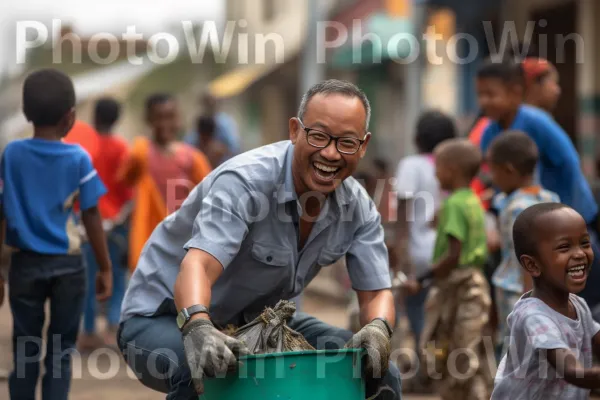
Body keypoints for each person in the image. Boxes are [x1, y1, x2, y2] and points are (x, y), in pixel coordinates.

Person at [117, 79, 402, 399]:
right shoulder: (245, 182)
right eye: (319, 136)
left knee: (378, 368)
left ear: (363, 146)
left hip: (263, 323)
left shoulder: (358, 207)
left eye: (347, 143)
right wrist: (198, 327)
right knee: (208, 370)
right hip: (164, 318)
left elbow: (376, 292)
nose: (331, 153)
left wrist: (378, 328)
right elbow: (198, 265)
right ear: (295, 130)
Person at [0, 69, 112, 399]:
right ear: (71, 118)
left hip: (25, 266)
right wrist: (105, 267)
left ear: (25, 114)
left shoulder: (12, 155)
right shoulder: (78, 158)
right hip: (68, 266)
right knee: (61, 351)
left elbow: (1, 212)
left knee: (25, 349)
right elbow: (91, 215)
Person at [476, 59, 600, 311]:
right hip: (529, 225)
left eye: (491, 94)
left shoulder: (537, 122)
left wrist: (566, 215)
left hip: (567, 215)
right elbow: (495, 179)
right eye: (480, 95)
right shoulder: (490, 132)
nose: (484, 102)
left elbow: (568, 164)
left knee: (579, 289)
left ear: (514, 92)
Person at [403, 138, 494, 400]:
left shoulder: (454, 204)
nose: (435, 174)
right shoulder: (470, 200)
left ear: (452, 170)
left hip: (456, 283)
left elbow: (453, 255)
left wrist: (422, 278)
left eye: (439, 168)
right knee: (470, 342)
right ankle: (475, 391)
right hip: (476, 280)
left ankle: (453, 392)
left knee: (442, 341)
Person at [492, 203, 600, 399]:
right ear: (532, 264)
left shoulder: (578, 305)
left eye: (585, 243)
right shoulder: (533, 316)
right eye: (564, 247)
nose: (579, 253)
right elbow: (571, 371)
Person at [486, 130, 559, 360]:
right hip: (553, 291)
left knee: (516, 353)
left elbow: (526, 260)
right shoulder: (551, 199)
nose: (492, 178)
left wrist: (529, 302)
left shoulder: (515, 208)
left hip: (517, 292)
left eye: (493, 171)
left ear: (509, 170)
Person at [118, 93, 212, 271]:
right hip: (149, 242)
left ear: (178, 119)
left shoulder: (193, 159)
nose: (164, 124)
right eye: (158, 118)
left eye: (170, 117)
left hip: (183, 241)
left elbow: (210, 194)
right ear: (148, 119)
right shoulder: (141, 153)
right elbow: (124, 180)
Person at [394, 110, 455, 364]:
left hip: (419, 254)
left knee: (418, 310)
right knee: (441, 313)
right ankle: (440, 364)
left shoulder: (411, 165)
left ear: (417, 139)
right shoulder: (453, 164)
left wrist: (400, 254)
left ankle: (425, 367)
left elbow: (402, 215)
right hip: (449, 251)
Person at [78, 97, 133, 351]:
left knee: (89, 279)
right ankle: (113, 328)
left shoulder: (84, 147)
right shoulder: (122, 149)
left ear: (95, 116)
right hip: (116, 222)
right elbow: (130, 191)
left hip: (87, 222)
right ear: (117, 119)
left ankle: (88, 331)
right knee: (116, 278)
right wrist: (121, 217)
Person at [184, 91, 241, 160]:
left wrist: (220, 150)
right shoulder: (201, 121)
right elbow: (189, 144)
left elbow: (234, 148)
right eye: (207, 103)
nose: (209, 105)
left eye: (211, 102)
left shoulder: (224, 123)